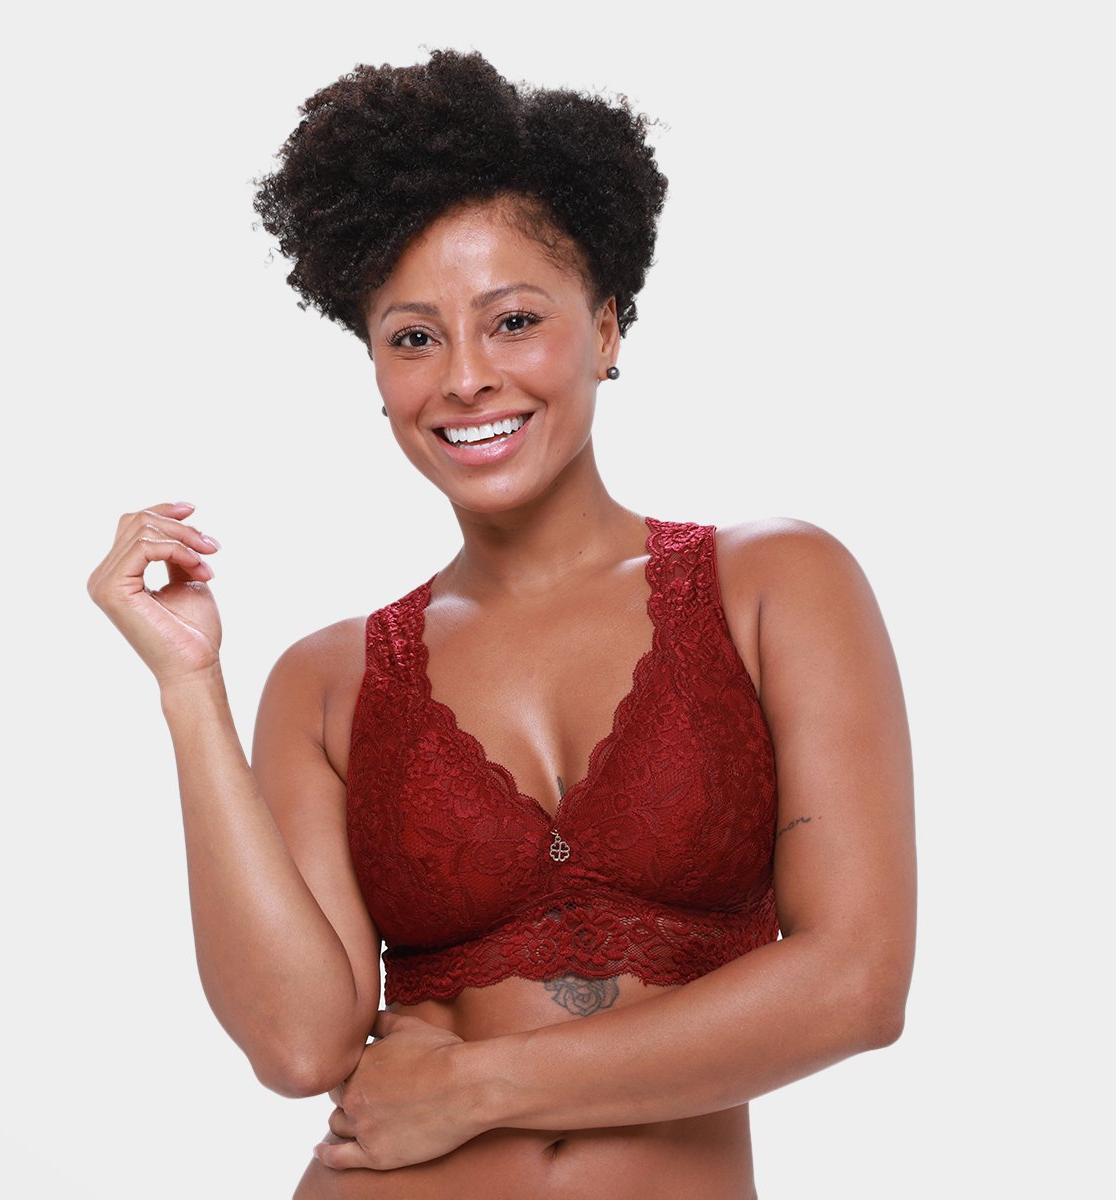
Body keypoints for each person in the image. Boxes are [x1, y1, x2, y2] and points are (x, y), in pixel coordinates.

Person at [88, 49, 915, 1200]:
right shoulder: (330, 681)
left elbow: (857, 986)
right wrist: (190, 688)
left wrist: (480, 1086)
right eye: (413, 337)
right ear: (377, 373)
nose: (465, 378)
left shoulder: (772, 585)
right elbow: (299, 1048)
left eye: (513, 320)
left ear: (607, 330)